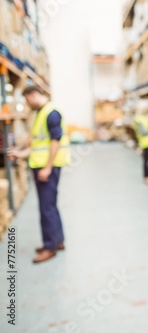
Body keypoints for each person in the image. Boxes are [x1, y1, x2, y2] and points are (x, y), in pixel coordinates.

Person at [8, 86, 71, 264]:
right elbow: (38, 144)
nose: (27, 104)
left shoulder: (51, 113)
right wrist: (21, 153)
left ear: (34, 95)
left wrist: (48, 167)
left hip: (46, 167)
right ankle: (58, 241)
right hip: (41, 164)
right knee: (50, 204)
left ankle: (50, 247)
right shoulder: (41, 113)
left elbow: (55, 141)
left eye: (27, 99)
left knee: (46, 207)